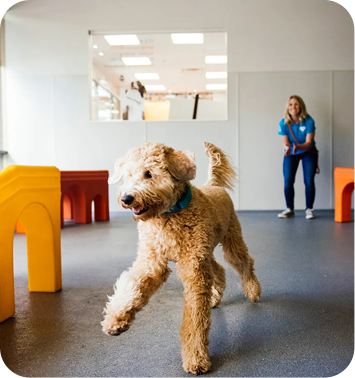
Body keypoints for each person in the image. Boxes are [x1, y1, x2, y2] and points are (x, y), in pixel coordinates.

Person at [278, 95, 319, 219]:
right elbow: (285, 143)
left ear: (301, 106)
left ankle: (309, 209)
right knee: (288, 181)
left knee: (308, 181)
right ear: (287, 107)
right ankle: (289, 209)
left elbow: (308, 143)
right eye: (290, 104)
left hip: (308, 152)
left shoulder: (309, 121)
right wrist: (287, 149)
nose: (293, 107)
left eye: (296, 104)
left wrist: (298, 147)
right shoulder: (283, 123)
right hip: (291, 152)